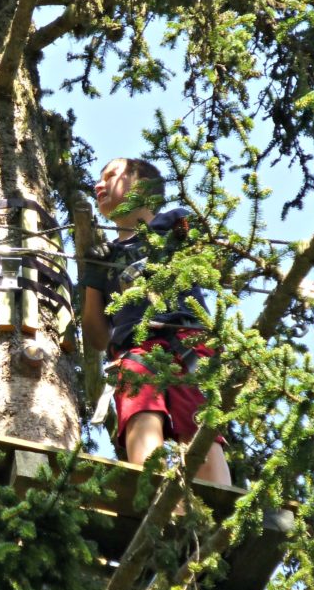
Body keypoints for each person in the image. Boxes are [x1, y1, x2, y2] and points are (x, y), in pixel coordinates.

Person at [81, 157, 231, 485]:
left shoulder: (176, 224)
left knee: (199, 421)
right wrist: (91, 273)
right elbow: (96, 335)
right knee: (140, 408)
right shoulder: (103, 257)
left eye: (111, 176)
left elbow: (217, 262)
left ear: (144, 187)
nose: (99, 185)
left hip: (186, 341)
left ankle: (218, 501)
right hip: (133, 349)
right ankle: (154, 495)